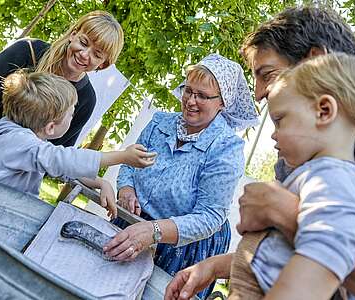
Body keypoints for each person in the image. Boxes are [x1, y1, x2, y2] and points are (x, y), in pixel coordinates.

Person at [165, 6, 355, 300]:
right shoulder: (302, 153)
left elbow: (324, 251)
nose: (258, 93)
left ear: (315, 62)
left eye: (268, 74)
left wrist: (283, 211)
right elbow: (287, 249)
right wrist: (216, 267)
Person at [102, 53, 259, 299]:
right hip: (133, 224)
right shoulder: (159, 123)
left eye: (203, 96)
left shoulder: (225, 148)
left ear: (223, 103)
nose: (190, 101)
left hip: (182, 247)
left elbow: (210, 216)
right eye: (188, 90)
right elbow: (130, 164)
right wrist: (126, 189)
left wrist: (153, 230)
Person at [0, 70, 156, 218]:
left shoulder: (10, 132)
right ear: (51, 127)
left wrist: (101, 183)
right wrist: (122, 156)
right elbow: (64, 160)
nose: (73, 117)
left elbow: (64, 168)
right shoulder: (22, 143)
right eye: (71, 113)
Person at [0, 10, 123, 147]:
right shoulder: (27, 50)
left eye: (96, 54)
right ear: (73, 34)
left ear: (103, 64)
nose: (84, 54)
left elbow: (57, 151)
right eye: (83, 43)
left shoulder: (86, 100)